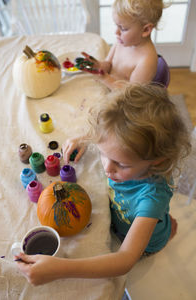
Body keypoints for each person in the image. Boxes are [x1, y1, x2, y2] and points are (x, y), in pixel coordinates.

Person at [15, 83, 191, 286]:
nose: (107, 168)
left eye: (121, 164)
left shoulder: (152, 198)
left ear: (156, 161)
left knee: (155, 236)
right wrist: (87, 138)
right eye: (103, 153)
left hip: (142, 244)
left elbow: (124, 260)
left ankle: (164, 235)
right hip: (125, 219)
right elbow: (112, 140)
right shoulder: (130, 156)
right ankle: (165, 225)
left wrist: (59, 268)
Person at [78, 0, 168, 90]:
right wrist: (98, 66)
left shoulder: (146, 60)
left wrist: (105, 78)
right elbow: (109, 64)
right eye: (116, 26)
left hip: (123, 101)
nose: (116, 32)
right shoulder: (122, 42)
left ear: (146, 30)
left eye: (123, 28)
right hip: (109, 90)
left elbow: (131, 94)